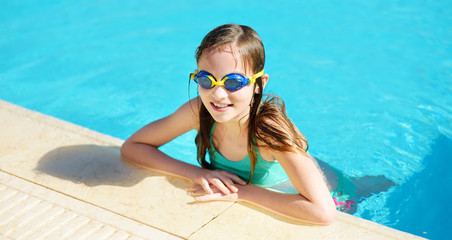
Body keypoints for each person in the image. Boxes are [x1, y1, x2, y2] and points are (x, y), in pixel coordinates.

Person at [121, 24, 342, 225]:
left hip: (334, 195)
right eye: (206, 80)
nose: (217, 94)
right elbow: (134, 146)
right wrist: (196, 173)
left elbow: (323, 212)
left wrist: (242, 193)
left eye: (233, 82)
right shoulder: (199, 112)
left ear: (259, 84)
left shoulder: (270, 131)